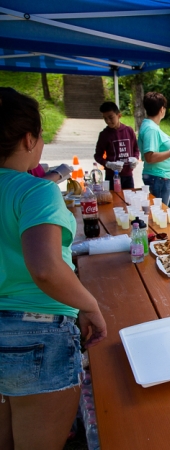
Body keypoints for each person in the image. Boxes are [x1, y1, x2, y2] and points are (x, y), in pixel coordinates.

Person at [0, 88, 107, 449]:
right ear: (30, 139)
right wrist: (89, 305)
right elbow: (45, 268)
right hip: (36, 334)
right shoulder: (35, 192)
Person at [138, 92, 170, 209]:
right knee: (161, 213)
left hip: (162, 177)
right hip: (158, 177)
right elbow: (150, 157)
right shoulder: (151, 129)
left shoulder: (152, 126)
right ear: (162, 109)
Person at [94, 101, 140, 189]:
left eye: (111, 117)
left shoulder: (129, 130)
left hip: (128, 175)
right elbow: (97, 155)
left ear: (119, 115)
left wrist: (135, 159)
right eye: (105, 118)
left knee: (129, 199)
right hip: (112, 176)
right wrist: (108, 164)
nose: (108, 121)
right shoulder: (104, 134)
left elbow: (135, 149)